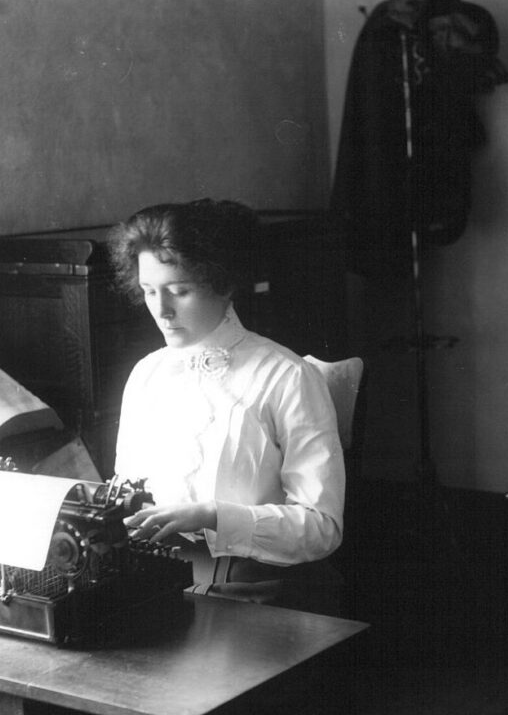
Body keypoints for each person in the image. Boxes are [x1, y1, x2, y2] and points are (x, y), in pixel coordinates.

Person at [107, 198, 347, 615]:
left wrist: (215, 516)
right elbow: (126, 493)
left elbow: (321, 528)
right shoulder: (146, 375)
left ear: (223, 283)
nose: (161, 310)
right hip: (154, 581)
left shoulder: (286, 377)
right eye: (149, 291)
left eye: (179, 291)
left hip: (256, 592)